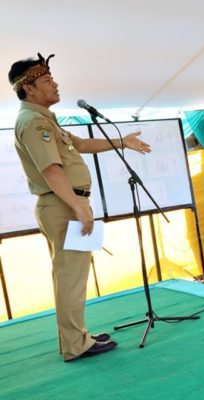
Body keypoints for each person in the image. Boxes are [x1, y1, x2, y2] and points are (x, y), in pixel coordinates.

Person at [9, 53, 151, 361]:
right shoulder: (33, 123)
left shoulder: (44, 119)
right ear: (28, 88)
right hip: (63, 204)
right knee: (70, 275)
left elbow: (83, 145)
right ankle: (75, 344)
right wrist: (78, 207)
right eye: (47, 80)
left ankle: (78, 336)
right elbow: (51, 170)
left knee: (72, 274)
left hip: (67, 204)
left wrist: (122, 141)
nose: (55, 83)